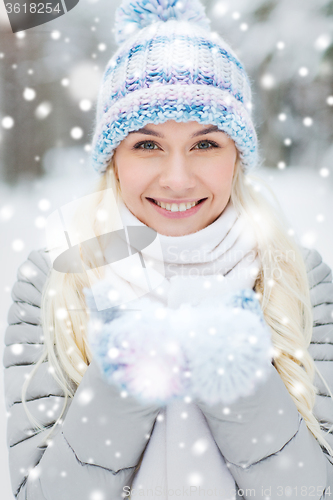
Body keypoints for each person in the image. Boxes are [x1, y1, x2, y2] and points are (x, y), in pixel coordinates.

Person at [3, 0, 333, 499]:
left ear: (237, 157)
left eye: (205, 145)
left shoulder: (299, 280)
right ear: (112, 158)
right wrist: (124, 379)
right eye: (147, 145)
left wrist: (238, 381)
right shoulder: (54, 279)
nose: (177, 180)